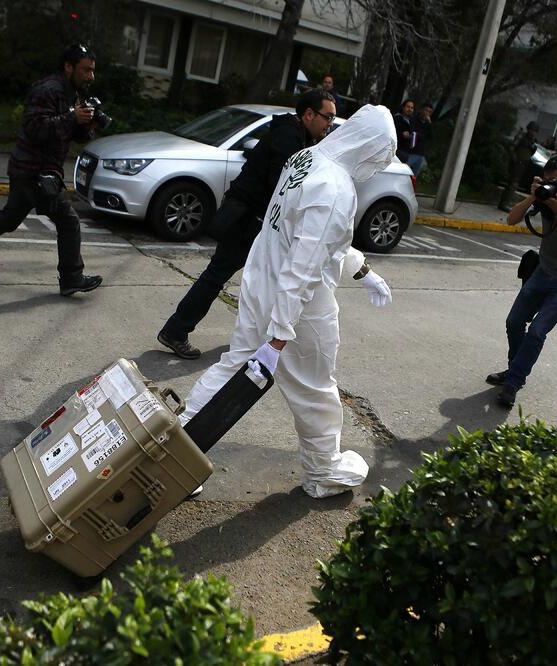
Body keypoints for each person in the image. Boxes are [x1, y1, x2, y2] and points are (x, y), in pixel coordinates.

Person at [180, 105, 397, 499]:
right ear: (369, 148)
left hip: (262, 281)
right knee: (315, 391)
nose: (378, 166)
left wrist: (364, 271)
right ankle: (323, 471)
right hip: (300, 310)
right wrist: (280, 336)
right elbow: (306, 266)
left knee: (233, 366)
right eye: (380, 157)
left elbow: (316, 240)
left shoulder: (308, 157)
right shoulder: (335, 188)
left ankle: (177, 454)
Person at [157, 89, 337, 359]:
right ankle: (176, 330)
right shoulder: (288, 137)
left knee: (266, 281)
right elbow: (282, 187)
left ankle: (256, 337)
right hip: (247, 220)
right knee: (218, 276)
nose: (330, 125)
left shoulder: (296, 134)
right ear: (309, 114)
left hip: (255, 219)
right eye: (328, 117)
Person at [0, 44, 102, 296]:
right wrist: (72, 118)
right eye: (86, 70)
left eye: (92, 71)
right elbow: (36, 128)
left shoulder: (70, 92)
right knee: (68, 222)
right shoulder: (47, 89)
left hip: (35, 170)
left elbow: (65, 133)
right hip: (33, 170)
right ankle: (71, 277)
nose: (91, 76)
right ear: (68, 67)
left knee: (9, 219)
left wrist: (87, 124)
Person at [488, 153, 557, 408]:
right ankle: (515, 371)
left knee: (537, 330)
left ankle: (513, 383)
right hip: (544, 270)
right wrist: (533, 195)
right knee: (514, 322)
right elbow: (512, 219)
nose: (553, 185)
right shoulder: (544, 195)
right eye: (549, 180)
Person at [498, 121, 539, 212]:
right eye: (532, 130)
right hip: (517, 163)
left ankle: (504, 202)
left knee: (514, 184)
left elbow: (532, 151)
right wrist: (515, 159)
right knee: (513, 184)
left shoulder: (532, 140)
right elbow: (512, 147)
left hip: (523, 164)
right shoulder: (522, 136)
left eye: (535, 131)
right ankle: (504, 203)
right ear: (528, 129)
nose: (533, 133)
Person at [406, 101, 433, 178]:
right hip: (411, 152)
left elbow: (430, 137)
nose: (427, 113)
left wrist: (430, 124)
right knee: (404, 172)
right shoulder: (414, 120)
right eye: (426, 110)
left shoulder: (428, 124)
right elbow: (414, 133)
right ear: (421, 110)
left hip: (421, 154)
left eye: (429, 112)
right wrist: (422, 136)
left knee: (414, 176)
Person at [393, 99, 415, 163]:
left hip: (407, 151)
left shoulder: (412, 120)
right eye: (408, 107)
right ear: (403, 107)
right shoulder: (397, 118)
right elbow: (392, 132)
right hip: (397, 149)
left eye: (412, 108)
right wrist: (402, 134)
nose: (410, 109)